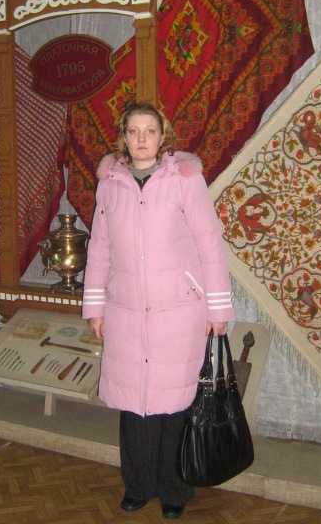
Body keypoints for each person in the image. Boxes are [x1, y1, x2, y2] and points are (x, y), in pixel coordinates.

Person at [82, 102, 234, 520]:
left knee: (174, 403)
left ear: (163, 136)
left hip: (179, 311)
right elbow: (99, 248)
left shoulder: (185, 179)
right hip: (126, 310)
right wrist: (95, 307)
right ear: (124, 137)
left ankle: (175, 489)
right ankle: (138, 485)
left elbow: (210, 243)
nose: (142, 139)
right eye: (134, 131)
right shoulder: (110, 184)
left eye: (150, 131)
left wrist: (218, 308)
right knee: (134, 404)